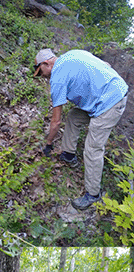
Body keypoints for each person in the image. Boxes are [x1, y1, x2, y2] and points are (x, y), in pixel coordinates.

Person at [34, 48, 128, 211]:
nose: (42, 77)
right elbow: (105, 64)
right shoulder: (73, 54)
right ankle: (68, 154)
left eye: (41, 72)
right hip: (109, 92)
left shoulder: (57, 78)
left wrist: (48, 143)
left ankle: (93, 194)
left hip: (112, 102)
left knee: (92, 149)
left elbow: (56, 122)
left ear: (46, 63)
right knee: (74, 116)